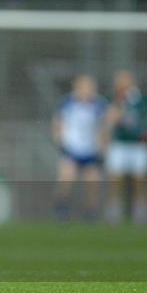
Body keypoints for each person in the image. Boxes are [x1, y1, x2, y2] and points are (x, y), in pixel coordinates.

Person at [51, 75, 107, 221]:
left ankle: (90, 213)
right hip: (72, 148)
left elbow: (104, 127)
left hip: (90, 150)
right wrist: (60, 140)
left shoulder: (99, 104)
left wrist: (102, 146)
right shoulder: (67, 102)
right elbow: (58, 123)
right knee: (66, 178)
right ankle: (61, 209)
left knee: (92, 182)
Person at [104, 70, 147, 224]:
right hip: (119, 144)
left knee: (140, 178)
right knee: (116, 178)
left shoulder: (142, 101)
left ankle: (141, 211)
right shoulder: (113, 100)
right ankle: (114, 211)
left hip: (138, 145)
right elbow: (109, 122)